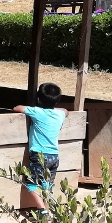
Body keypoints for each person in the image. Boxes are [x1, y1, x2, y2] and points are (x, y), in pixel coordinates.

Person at [12, 82, 68, 210]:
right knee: (47, 184)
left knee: (31, 183)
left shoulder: (36, 112)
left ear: (38, 99)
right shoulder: (60, 114)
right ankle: (47, 209)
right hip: (54, 156)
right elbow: (66, 111)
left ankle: (42, 210)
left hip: (39, 155)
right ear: (58, 101)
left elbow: (17, 108)